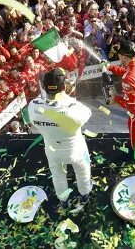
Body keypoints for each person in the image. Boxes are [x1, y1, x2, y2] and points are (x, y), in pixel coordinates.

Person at [27, 68, 93, 210]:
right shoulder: (72, 107)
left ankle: (63, 201)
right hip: (75, 150)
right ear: (64, 87)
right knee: (83, 171)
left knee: (58, 176)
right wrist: (66, 97)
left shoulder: (34, 107)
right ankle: (85, 193)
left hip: (53, 151)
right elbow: (88, 113)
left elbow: (43, 104)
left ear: (43, 87)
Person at [103, 39, 135, 167]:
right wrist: (110, 67)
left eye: (119, 55)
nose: (118, 57)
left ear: (124, 57)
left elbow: (130, 106)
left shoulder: (129, 79)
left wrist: (116, 99)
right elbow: (128, 72)